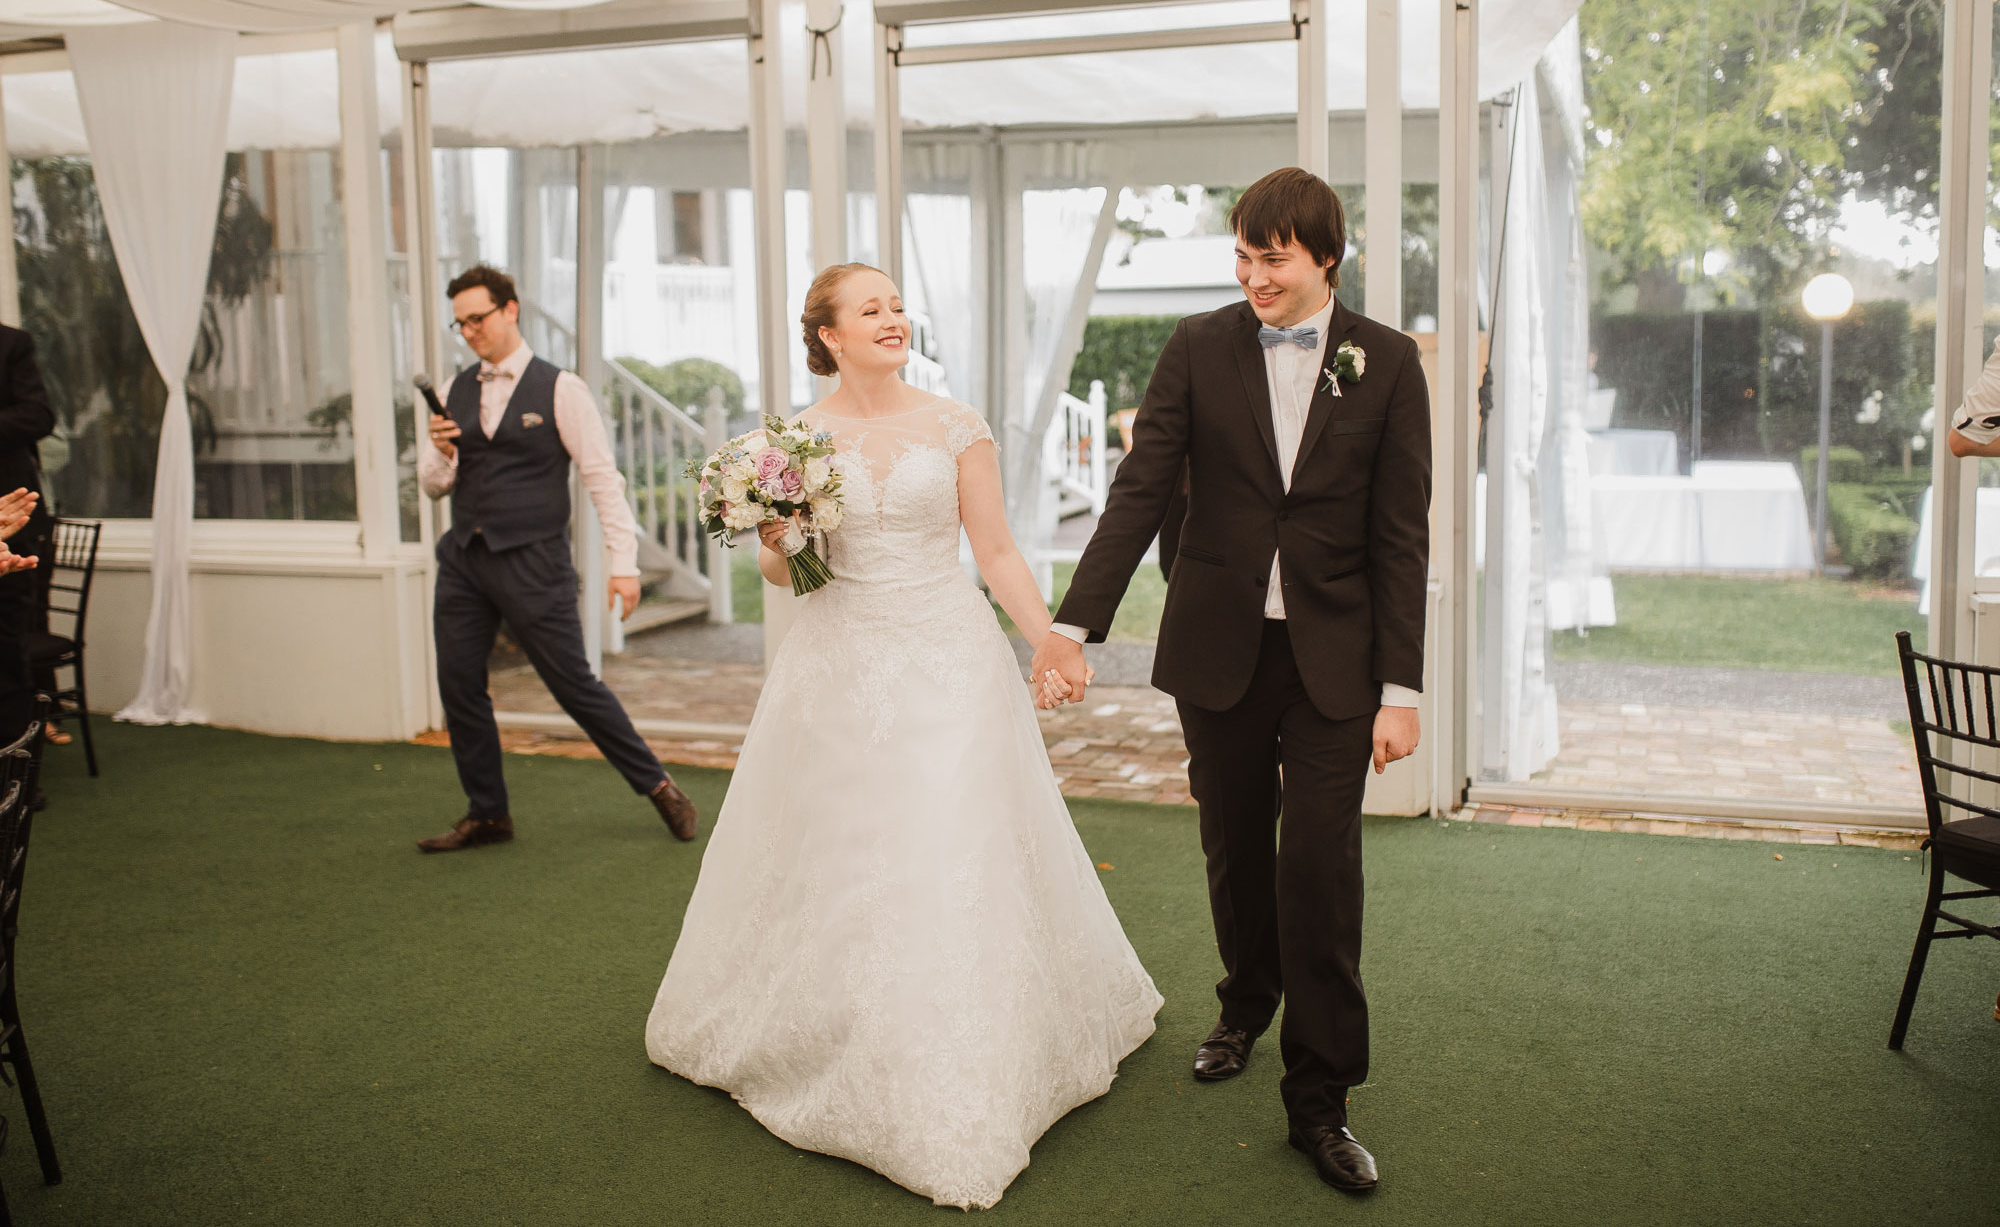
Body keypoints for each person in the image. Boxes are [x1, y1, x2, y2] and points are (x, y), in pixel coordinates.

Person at [646, 263, 1161, 1210]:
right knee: (839, 848)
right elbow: (777, 568)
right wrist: (784, 524)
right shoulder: (789, 443)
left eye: (896, 304)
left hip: (947, 656)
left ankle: (972, 1053)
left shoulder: (955, 425)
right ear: (830, 335)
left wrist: (1048, 634)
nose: (892, 317)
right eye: (870, 308)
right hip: (836, 661)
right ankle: (836, 1029)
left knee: (949, 845)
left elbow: (996, 549)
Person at [1033, 167, 1433, 1194]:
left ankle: (1320, 1100)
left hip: (1336, 657)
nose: (1255, 275)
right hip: (1219, 645)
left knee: (1318, 868)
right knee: (1232, 843)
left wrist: (1402, 689)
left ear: (1324, 259)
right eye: (1245, 256)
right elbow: (1138, 491)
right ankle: (1243, 1003)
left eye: (1275, 257)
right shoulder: (1197, 346)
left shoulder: (1383, 363)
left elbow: (1398, 537)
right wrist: (1072, 623)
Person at [415, 265, 697, 853]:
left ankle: (658, 785)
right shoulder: (451, 388)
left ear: (510, 310)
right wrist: (441, 454)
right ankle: (488, 812)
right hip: (465, 559)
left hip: (533, 561)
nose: (469, 331)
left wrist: (625, 565)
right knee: (459, 683)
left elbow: (601, 479)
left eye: (478, 318)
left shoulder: (561, 388)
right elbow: (435, 486)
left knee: (573, 684)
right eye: (460, 323)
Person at [0, 324, 55, 749]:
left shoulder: (11, 343)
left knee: (7, 644)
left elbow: (38, 415)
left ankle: (15, 774)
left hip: (11, 513)